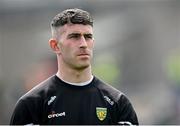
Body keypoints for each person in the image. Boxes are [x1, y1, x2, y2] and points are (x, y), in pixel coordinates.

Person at [10, 8, 138, 125]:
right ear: (55, 46)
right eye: (74, 36)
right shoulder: (31, 104)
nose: (83, 44)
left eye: (88, 37)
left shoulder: (118, 103)